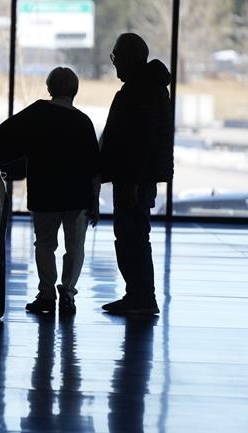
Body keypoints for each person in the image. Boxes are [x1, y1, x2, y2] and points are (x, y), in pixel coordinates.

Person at [0, 67, 100, 315]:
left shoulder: (38, 112)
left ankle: (47, 294)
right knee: (75, 247)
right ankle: (68, 294)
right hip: (77, 194)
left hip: (45, 192)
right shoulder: (83, 121)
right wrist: (94, 201)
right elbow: (94, 167)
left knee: (44, 244)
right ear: (75, 90)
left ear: (50, 88)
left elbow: (4, 134)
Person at [100, 33, 174, 315]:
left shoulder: (142, 92)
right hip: (135, 178)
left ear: (130, 59)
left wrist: (132, 180)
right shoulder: (147, 88)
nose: (114, 62)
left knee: (133, 237)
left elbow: (142, 140)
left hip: (134, 180)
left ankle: (141, 297)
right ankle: (138, 295)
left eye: (116, 56)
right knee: (132, 236)